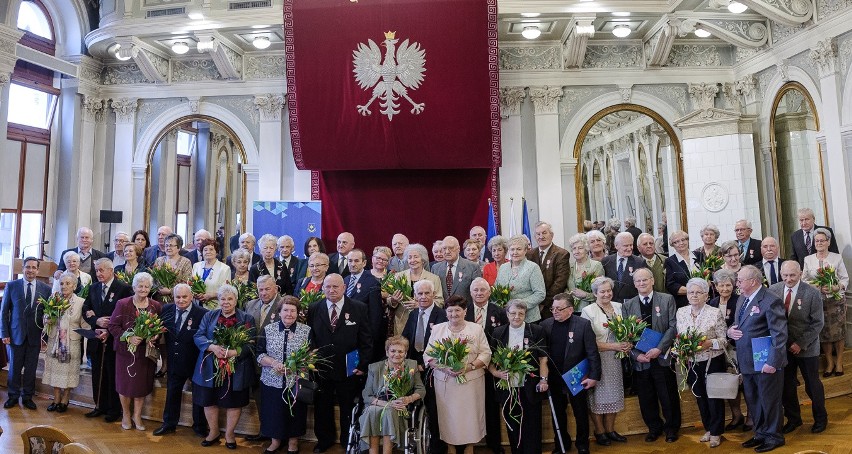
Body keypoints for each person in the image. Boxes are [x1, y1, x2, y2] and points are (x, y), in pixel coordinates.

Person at [307, 274, 373, 452]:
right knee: (322, 408)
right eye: (328, 287)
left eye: (335, 287)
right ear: (323, 288)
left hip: (349, 370)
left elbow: (366, 340)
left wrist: (362, 365)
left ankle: (348, 441)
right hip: (322, 369)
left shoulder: (359, 308)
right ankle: (324, 441)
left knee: (348, 408)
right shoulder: (314, 308)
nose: (331, 290)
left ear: (344, 287)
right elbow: (310, 337)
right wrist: (311, 357)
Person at [728, 265, 788, 452]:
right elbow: (738, 324)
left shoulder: (771, 301)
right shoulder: (742, 299)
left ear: (753, 281)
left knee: (770, 401)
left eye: (740, 280)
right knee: (754, 400)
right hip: (746, 361)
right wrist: (730, 331)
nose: (736, 283)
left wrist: (772, 362)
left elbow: (779, 335)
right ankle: (760, 433)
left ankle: (774, 436)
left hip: (765, 363)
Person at [424, 295, 492, 453]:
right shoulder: (437, 329)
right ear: (446, 312)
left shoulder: (476, 328)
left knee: (470, 417)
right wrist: (443, 367)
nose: (454, 314)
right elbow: (428, 355)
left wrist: (469, 367)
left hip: (471, 381)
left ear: (465, 311)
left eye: (457, 310)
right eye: (450, 311)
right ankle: (450, 447)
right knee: (449, 417)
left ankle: (469, 447)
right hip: (446, 382)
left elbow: (486, 354)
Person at [193, 284, 257, 449]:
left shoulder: (246, 318)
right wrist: (212, 347)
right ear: (218, 300)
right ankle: (213, 432)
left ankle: (229, 434)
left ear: (236, 300)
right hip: (210, 366)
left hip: (235, 368)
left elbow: (251, 344)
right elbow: (198, 335)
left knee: (233, 402)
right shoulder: (209, 315)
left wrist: (233, 352)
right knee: (209, 400)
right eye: (222, 298)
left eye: (230, 299)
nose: (226, 302)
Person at [767, 261, 827, 434]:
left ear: (800, 273)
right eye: (785, 275)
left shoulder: (812, 293)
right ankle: (794, 419)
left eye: (792, 275)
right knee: (787, 385)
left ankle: (820, 419)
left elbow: (818, 323)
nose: (788, 279)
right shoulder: (774, 290)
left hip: (807, 348)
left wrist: (800, 343)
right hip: (783, 348)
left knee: (812, 386)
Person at [623, 268, 681, 443]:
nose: (642, 283)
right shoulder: (628, 305)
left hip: (662, 357)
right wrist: (635, 355)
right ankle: (654, 428)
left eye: (645, 280)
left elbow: (673, 326)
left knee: (668, 395)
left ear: (652, 280)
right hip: (641, 360)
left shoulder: (667, 299)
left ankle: (671, 429)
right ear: (634, 284)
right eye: (638, 281)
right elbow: (626, 334)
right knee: (646, 397)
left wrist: (660, 348)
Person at [540, 293, 600, 454]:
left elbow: (592, 353)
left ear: (571, 309)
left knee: (580, 412)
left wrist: (594, 376)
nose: (555, 311)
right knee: (557, 413)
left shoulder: (583, 325)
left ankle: (582, 444)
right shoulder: (545, 325)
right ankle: (561, 443)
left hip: (577, 376)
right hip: (554, 377)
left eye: (559, 308)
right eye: (553, 308)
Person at [488, 301, 549, 454]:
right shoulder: (498, 333)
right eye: (513, 313)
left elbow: (543, 359)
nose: (517, 317)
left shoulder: (536, 330)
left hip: (529, 386)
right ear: (507, 314)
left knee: (532, 425)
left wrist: (543, 380)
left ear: (525, 315)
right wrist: (496, 373)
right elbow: (490, 361)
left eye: (521, 314)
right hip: (507, 387)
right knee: (512, 424)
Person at [676, 278, 729, 448]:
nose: (694, 295)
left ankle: (716, 432)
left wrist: (709, 343)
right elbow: (680, 338)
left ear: (706, 295)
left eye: (699, 292)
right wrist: (680, 350)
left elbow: (724, 340)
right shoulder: (681, 312)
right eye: (691, 292)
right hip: (692, 362)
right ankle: (708, 427)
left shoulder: (714, 312)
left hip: (712, 361)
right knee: (699, 396)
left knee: (714, 397)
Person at [256, 296, 312, 454]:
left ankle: (293, 443)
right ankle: (275, 441)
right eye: (285, 310)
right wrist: (274, 363)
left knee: (295, 412)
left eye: (293, 310)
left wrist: (295, 366)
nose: (289, 314)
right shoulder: (268, 329)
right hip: (271, 380)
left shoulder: (306, 330)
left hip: (295, 380)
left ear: (297, 313)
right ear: (279, 312)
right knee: (274, 412)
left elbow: (311, 355)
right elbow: (259, 354)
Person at [108, 272, 163, 431]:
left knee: (141, 386)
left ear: (150, 288)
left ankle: (137, 415)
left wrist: (155, 336)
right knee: (124, 386)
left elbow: (158, 329)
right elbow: (113, 326)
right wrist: (128, 337)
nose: (143, 289)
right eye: (140, 286)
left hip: (145, 354)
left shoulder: (155, 306)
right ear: (134, 287)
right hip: (125, 352)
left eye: (146, 286)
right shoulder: (123, 303)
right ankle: (126, 414)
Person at [580, 276, 630, 446]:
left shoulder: (619, 307)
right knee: (598, 397)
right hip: (598, 358)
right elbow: (588, 342)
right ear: (595, 293)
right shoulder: (588, 311)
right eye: (602, 291)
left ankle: (610, 430)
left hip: (616, 359)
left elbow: (628, 330)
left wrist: (627, 342)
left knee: (614, 393)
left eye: (609, 290)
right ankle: (599, 431)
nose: (607, 294)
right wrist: (615, 346)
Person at [154, 283, 209, 437]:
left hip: (195, 361)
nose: (181, 300)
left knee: (198, 395)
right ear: (173, 297)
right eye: (178, 297)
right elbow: (159, 329)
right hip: (174, 360)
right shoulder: (166, 309)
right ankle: (169, 424)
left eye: (185, 297)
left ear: (191, 297)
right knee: (172, 393)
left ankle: (199, 426)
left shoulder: (202, 313)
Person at [82, 258, 134, 421]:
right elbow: (86, 309)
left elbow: (127, 313)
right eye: (97, 270)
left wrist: (110, 325)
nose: (98, 273)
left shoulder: (123, 288)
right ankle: (99, 405)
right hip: (96, 337)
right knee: (97, 373)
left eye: (102, 270)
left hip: (113, 339)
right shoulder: (93, 287)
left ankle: (113, 409)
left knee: (112, 374)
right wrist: (95, 321)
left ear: (111, 271)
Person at [401, 280, 448, 453]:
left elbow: (444, 345)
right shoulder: (414, 314)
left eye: (427, 293)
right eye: (419, 294)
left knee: (435, 409)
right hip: (414, 368)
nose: (423, 297)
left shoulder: (442, 315)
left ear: (434, 295)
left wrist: (424, 364)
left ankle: (437, 447)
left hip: (435, 369)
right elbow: (406, 338)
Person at [359, 335, 425, 454]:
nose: (396, 354)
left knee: (389, 412)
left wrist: (407, 399)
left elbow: (421, 390)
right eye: (393, 351)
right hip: (378, 404)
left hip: (400, 407)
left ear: (405, 353)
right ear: (387, 352)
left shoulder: (411, 366)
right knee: (371, 411)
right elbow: (366, 395)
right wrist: (387, 404)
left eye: (400, 351)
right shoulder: (375, 368)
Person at [466, 277, 508, 454]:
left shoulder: (498, 311)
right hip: (469, 366)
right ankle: (468, 443)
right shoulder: (464, 310)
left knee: (491, 406)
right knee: (469, 405)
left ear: (489, 292)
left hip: (492, 366)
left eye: (483, 290)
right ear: (470, 292)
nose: (479, 293)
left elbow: (505, 337)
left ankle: (495, 444)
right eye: (475, 290)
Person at [708, 268, 751, 431]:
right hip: (719, 351)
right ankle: (736, 415)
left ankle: (750, 417)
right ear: (715, 286)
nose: (725, 289)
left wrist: (730, 337)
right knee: (729, 384)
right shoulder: (712, 303)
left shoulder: (740, 300)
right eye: (721, 285)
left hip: (738, 347)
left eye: (728, 285)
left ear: (733, 285)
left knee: (744, 383)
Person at [802, 227, 848, 377]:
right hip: (817, 302)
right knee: (824, 333)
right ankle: (829, 363)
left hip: (836, 301)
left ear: (828, 242)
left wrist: (836, 287)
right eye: (817, 241)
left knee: (838, 332)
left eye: (822, 240)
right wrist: (815, 286)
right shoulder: (808, 259)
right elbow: (804, 280)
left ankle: (839, 361)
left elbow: (844, 278)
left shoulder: (837, 258)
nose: (819, 243)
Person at [42, 271, 85, 413]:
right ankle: (55, 399)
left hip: (71, 342)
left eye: (68, 283)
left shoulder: (81, 302)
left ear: (74, 285)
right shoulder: (53, 299)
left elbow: (84, 324)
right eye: (61, 283)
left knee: (68, 373)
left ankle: (65, 399)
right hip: (55, 341)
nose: (64, 286)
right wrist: (47, 320)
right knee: (54, 371)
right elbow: (45, 317)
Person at [390, 244, 443, 336]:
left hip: (425, 320)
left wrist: (420, 305)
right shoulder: (398, 276)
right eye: (410, 257)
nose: (413, 260)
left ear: (423, 260)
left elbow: (440, 301)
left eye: (416, 257)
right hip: (402, 321)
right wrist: (393, 300)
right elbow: (389, 300)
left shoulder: (434, 278)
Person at [345, 249, 384, 361]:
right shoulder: (345, 280)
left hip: (363, 335)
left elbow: (376, 315)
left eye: (356, 261)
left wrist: (371, 340)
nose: (353, 264)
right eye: (350, 260)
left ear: (364, 263)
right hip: (346, 334)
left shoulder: (372, 283)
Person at [496, 235, 546, 323]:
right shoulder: (503, 267)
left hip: (529, 318)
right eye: (512, 249)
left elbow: (540, 293)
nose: (515, 252)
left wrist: (519, 305)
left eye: (519, 249)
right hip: (507, 317)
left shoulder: (533, 267)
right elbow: (496, 290)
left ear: (525, 250)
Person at [527, 222, 571, 319]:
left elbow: (560, 282)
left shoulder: (561, 254)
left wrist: (543, 303)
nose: (541, 236)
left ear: (551, 235)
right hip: (532, 308)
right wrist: (534, 302)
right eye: (538, 234)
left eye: (544, 233)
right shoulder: (529, 254)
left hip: (551, 307)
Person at [431, 236, 482, 306]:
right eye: (444, 248)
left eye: (451, 248)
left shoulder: (472, 267)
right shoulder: (435, 268)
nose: (447, 251)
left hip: (465, 312)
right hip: (442, 313)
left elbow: (477, 293)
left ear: (458, 249)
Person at [602, 231, 648, 304]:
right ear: (616, 246)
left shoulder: (640, 262)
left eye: (631, 245)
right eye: (626, 246)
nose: (629, 248)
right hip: (611, 304)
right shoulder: (606, 261)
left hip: (631, 304)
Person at [566, 233, 604, 311]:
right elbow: (566, 287)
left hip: (589, 309)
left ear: (586, 249)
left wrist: (585, 295)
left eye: (580, 248)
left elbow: (602, 292)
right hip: (571, 310)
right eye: (574, 248)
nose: (577, 251)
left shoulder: (596, 266)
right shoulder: (569, 267)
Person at [191, 239, 231, 305]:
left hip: (215, 306)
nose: (208, 252)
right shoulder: (196, 266)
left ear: (216, 252)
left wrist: (211, 295)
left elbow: (226, 290)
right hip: (197, 305)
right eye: (205, 250)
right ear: (202, 252)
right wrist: (195, 293)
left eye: (211, 249)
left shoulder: (225, 269)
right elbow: (192, 285)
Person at [153, 233, 193, 299]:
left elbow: (187, 281)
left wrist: (170, 291)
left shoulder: (185, 262)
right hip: (159, 297)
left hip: (179, 298)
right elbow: (154, 279)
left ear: (179, 248)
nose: (168, 248)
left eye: (171, 246)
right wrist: (159, 289)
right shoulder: (159, 260)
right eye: (166, 245)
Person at [664, 230, 694, 308]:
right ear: (672, 245)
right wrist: (694, 291)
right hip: (683, 303)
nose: (681, 243)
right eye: (676, 242)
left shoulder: (699, 256)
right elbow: (671, 285)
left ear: (687, 240)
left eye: (683, 240)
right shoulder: (670, 261)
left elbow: (709, 276)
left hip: (704, 300)